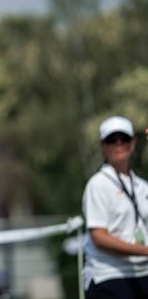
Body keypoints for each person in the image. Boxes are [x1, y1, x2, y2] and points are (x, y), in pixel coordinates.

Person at [82, 115, 148, 298]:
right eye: (112, 140)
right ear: (103, 146)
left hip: (142, 273)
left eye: (124, 139)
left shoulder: (141, 186)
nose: (119, 144)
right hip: (109, 275)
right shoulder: (98, 185)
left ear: (133, 143)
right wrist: (144, 251)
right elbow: (99, 238)